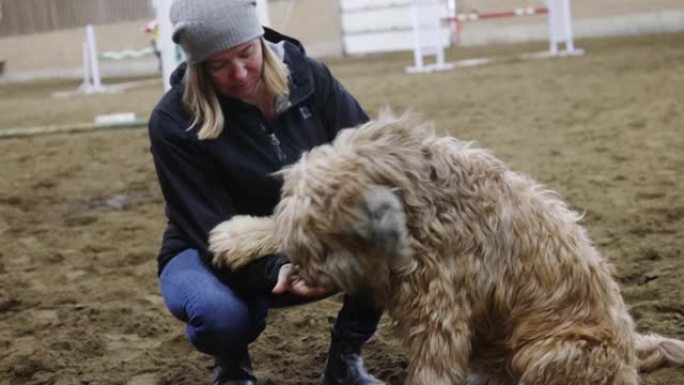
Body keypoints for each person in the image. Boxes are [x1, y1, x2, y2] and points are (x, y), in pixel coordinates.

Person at [147, 1, 384, 384]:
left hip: (309, 233)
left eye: (245, 53)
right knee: (220, 314)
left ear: (260, 39)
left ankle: (347, 358)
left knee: (390, 227)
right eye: (218, 64)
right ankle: (232, 365)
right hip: (210, 247)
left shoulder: (310, 78)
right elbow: (209, 226)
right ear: (197, 65)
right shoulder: (173, 121)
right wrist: (276, 269)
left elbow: (371, 156)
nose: (239, 73)